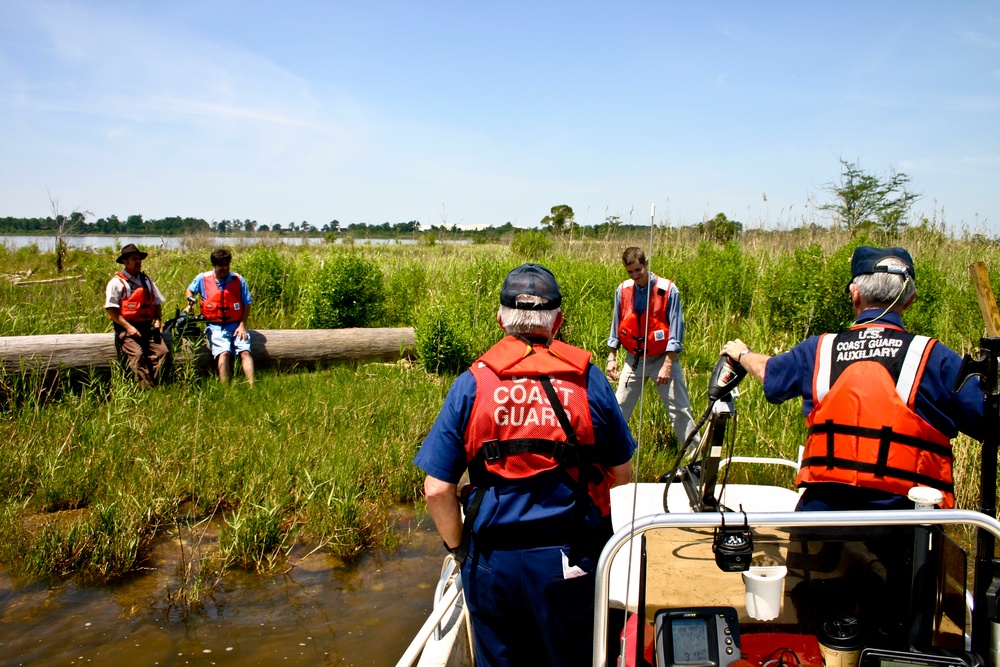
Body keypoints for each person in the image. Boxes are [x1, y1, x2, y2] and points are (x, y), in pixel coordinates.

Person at [414, 263, 636, 667]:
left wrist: (458, 548)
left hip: (492, 564)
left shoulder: (473, 384)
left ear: (501, 319)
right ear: (559, 321)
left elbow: (437, 489)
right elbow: (621, 477)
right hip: (570, 559)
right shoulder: (588, 381)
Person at [721, 246, 985, 511]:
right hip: (905, 524)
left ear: (854, 294)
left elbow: (770, 371)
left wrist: (742, 354)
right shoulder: (934, 357)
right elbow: (988, 420)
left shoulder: (819, 350)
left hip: (822, 519)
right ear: (910, 299)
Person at [607, 246, 700, 450]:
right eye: (630, 272)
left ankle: (697, 460)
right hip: (634, 360)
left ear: (646, 264)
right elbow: (616, 324)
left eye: (638, 270)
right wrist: (611, 357)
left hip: (663, 359)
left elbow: (676, 329)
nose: (635, 276)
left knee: (680, 410)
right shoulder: (622, 290)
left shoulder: (667, 289)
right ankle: (608, 457)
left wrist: (668, 363)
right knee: (618, 408)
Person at [185, 248, 255, 386]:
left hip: (236, 324)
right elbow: (190, 290)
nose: (225, 268)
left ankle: (252, 386)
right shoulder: (202, 279)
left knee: (245, 352)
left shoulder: (238, 280)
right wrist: (189, 304)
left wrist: (242, 325)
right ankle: (225, 389)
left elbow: (247, 304)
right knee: (224, 353)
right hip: (215, 325)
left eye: (227, 265)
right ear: (214, 265)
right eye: (221, 265)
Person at [104, 243, 170, 388]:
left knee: (162, 352)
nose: (138, 262)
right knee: (137, 356)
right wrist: (128, 328)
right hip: (127, 329)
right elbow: (111, 308)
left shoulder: (146, 280)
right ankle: (146, 390)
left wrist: (158, 320)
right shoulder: (117, 283)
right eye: (134, 259)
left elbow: (157, 302)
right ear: (125, 261)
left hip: (147, 327)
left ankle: (158, 386)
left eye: (139, 259)